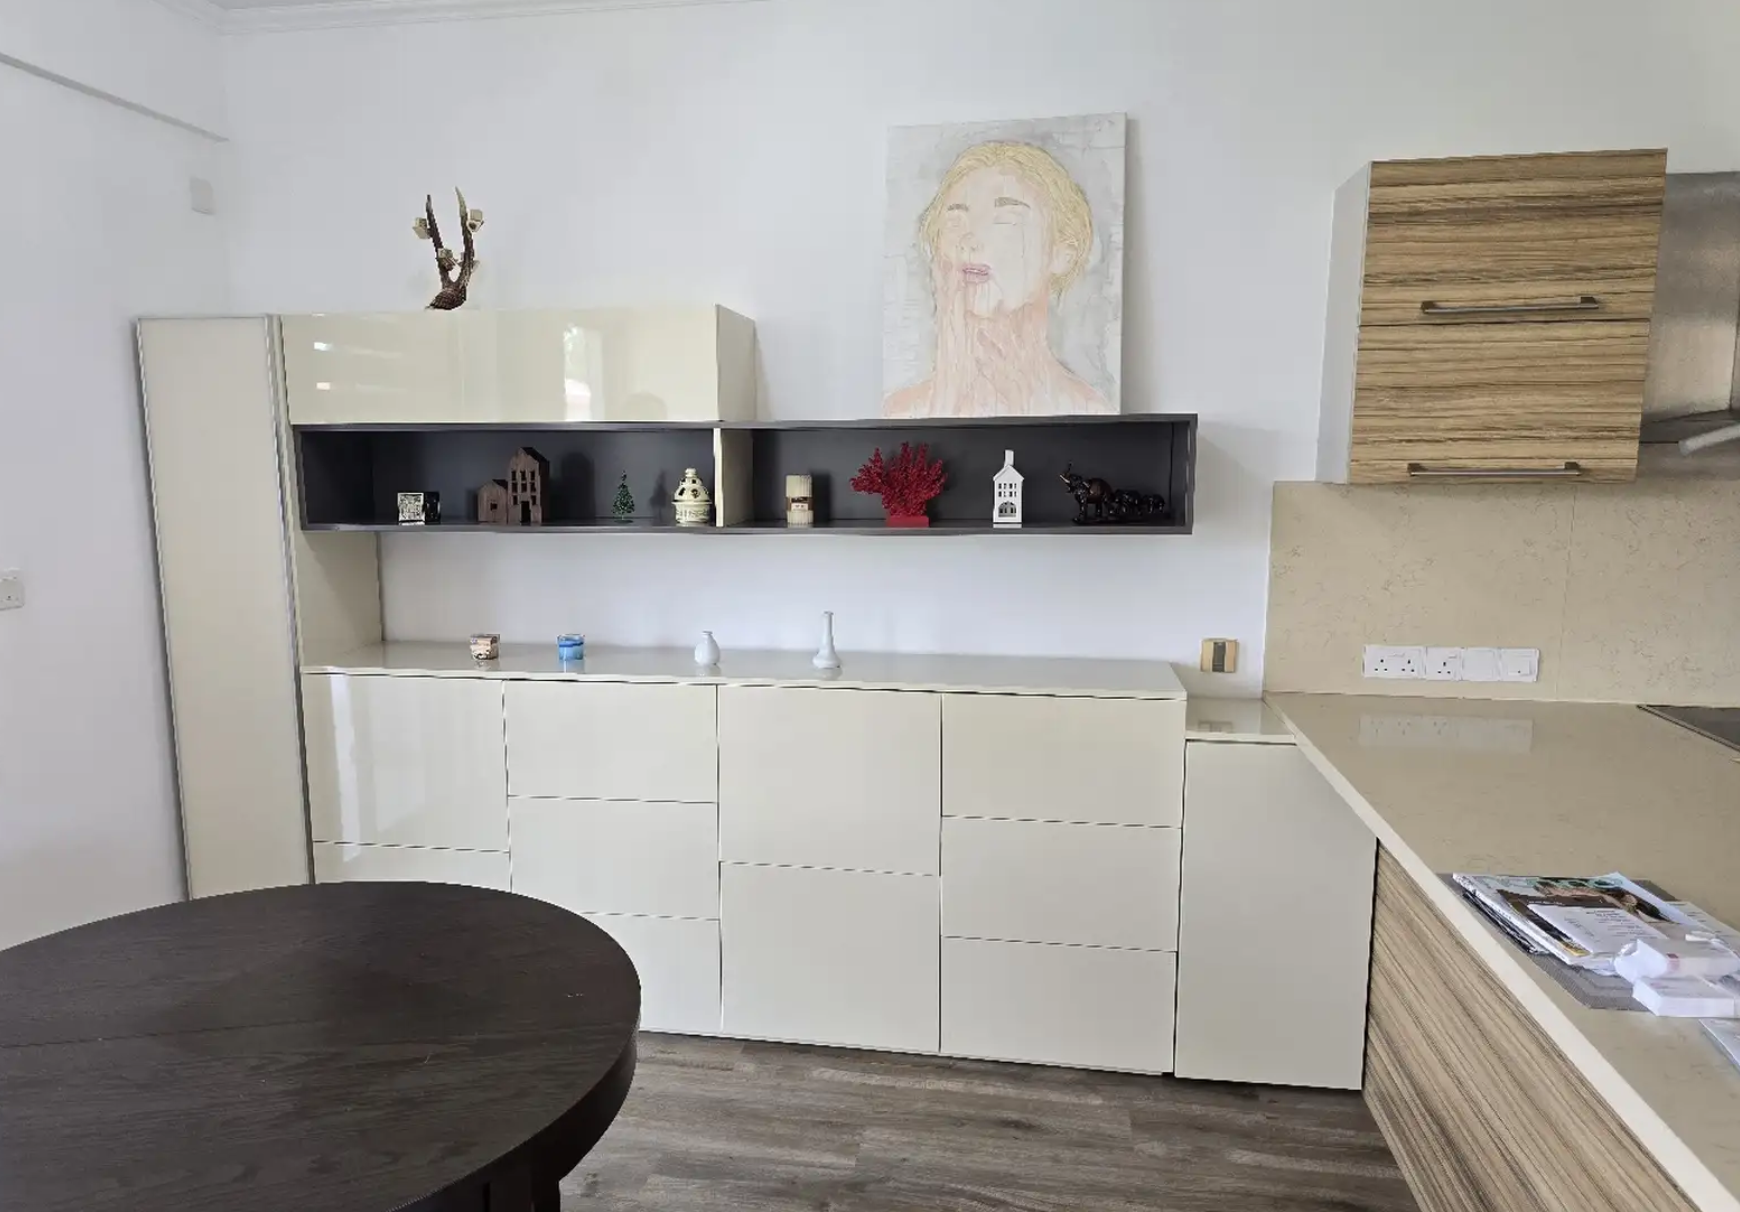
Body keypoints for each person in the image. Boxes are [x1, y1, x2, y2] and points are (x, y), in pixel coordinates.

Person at [886, 141, 1114, 418]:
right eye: (955, 221)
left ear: (1063, 252)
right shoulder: (900, 413)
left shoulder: (1089, 411)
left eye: (1005, 219)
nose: (970, 239)